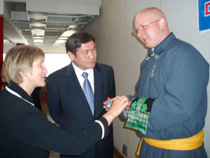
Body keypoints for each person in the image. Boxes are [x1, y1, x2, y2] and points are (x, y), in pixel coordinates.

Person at [0, 45, 128, 158]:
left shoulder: (13, 98)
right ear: (23, 72)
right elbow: (74, 145)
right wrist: (111, 114)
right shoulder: (19, 111)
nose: (46, 70)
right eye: (40, 64)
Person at [115, 7, 209, 158]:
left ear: (161, 23)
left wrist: (130, 111)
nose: (139, 34)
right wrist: (125, 102)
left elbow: (177, 107)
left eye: (143, 27)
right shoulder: (150, 59)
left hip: (176, 151)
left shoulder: (184, 55)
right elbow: (143, 97)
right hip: (150, 145)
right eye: (136, 30)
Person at [47, 31, 116, 158]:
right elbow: (55, 113)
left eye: (94, 49)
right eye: (85, 52)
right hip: (74, 144)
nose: (92, 56)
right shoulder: (56, 80)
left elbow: (110, 103)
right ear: (71, 55)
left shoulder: (107, 72)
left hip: (103, 143)